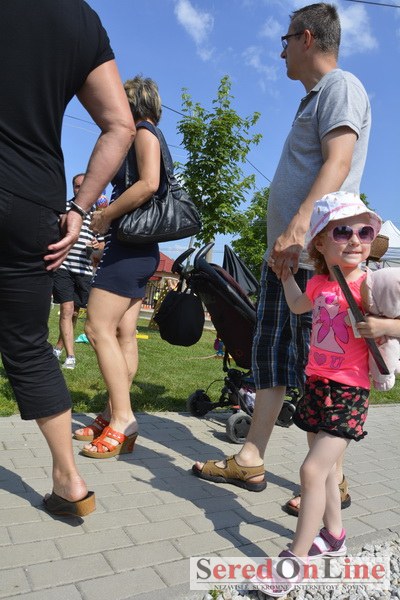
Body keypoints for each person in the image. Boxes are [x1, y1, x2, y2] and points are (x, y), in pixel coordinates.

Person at [192, 3, 371, 516]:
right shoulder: (311, 99)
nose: (281, 51)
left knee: (320, 368)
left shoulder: (341, 87)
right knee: (269, 358)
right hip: (286, 261)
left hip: (313, 259)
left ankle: (332, 481)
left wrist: (297, 228)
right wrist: (283, 242)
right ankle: (251, 458)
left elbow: (339, 162)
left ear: (307, 38)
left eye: (286, 40)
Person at [0, 0, 135, 517]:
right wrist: (80, 207)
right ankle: (69, 480)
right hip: (33, 201)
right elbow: (119, 125)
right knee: (29, 344)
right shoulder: (80, 18)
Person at [261, 191, 382, 597]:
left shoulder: (371, 285)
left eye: (364, 232)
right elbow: (298, 306)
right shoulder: (320, 282)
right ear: (320, 243)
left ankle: (296, 559)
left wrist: (383, 328)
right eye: (343, 231)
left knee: (311, 471)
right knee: (327, 471)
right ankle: (334, 536)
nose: (355, 240)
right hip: (317, 386)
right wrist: (285, 278)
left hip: (350, 392)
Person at [73, 76, 164, 458]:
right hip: (137, 250)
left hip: (128, 251)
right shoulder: (147, 134)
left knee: (96, 328)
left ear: (133, 104)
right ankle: (112, 414)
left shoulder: (143, 132)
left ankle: (123, 419)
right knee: (125, 334)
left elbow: (149, 183)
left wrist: (106, 214)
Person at [53, 174, 106, 369]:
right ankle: (71, 356)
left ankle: (58, 347)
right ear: (73, 188)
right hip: (63, 266)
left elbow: (102, 246)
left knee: (74, 312)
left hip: (84, 269)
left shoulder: (98, 214)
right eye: (77, 186)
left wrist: (97, 245)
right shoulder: (64, 208)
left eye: (84, 186)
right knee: (67, 310)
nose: (80, 189)